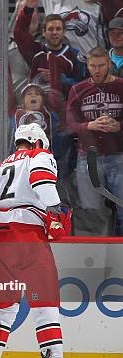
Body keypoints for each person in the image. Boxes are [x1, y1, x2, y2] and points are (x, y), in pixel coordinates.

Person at [0, 123, 80, 358]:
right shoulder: (39, 156)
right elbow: (43, 181)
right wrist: (54, 210)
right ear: (37, 142)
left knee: (3, 309)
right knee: (45, 306)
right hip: (27, 239)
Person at [67, 46, 123, 236]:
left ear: (109, 64)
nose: (97, 70)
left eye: (101, 65)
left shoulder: (121, 86)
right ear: (88, 65)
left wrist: (119, 126)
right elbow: (70, 123)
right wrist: (88, 126)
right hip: (88, 158)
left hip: (118, 156)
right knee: (92, 213)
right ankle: (95, 259)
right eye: (93, 66)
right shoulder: (78, 89)